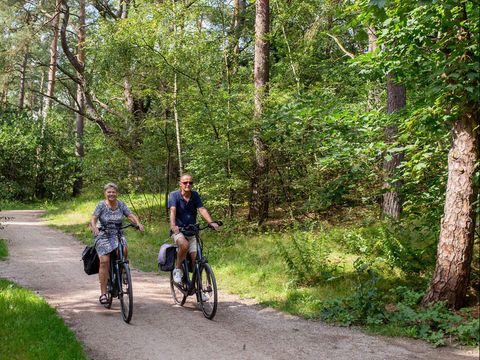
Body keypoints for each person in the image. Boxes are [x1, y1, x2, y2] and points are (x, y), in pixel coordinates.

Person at [90, 182, 144, 305]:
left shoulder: (121, 204)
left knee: (124, 250)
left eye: (113, 192)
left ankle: (123, 271)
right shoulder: (101, 205)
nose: (111, 194)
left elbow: (130, 215)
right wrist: (95, 228)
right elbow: (94, 218)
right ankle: (103, 293)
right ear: (105, 193)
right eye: (109, 192)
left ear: (116, 193)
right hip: (103, 234)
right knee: (104, 261)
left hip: (117, 233)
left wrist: (138, 223)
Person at [168, 173, 219, 284]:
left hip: (192, 231)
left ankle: (199, 289)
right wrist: (173, 226)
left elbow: (202, 209)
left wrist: (211, 222)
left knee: (196, 259)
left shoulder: (195, 195)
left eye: (190, 182)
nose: (188, 184)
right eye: (185, 182)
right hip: (178, 230)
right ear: (180, 184)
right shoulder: (174, 195)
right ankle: (177, 269)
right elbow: (172, 210)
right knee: (184, 245)